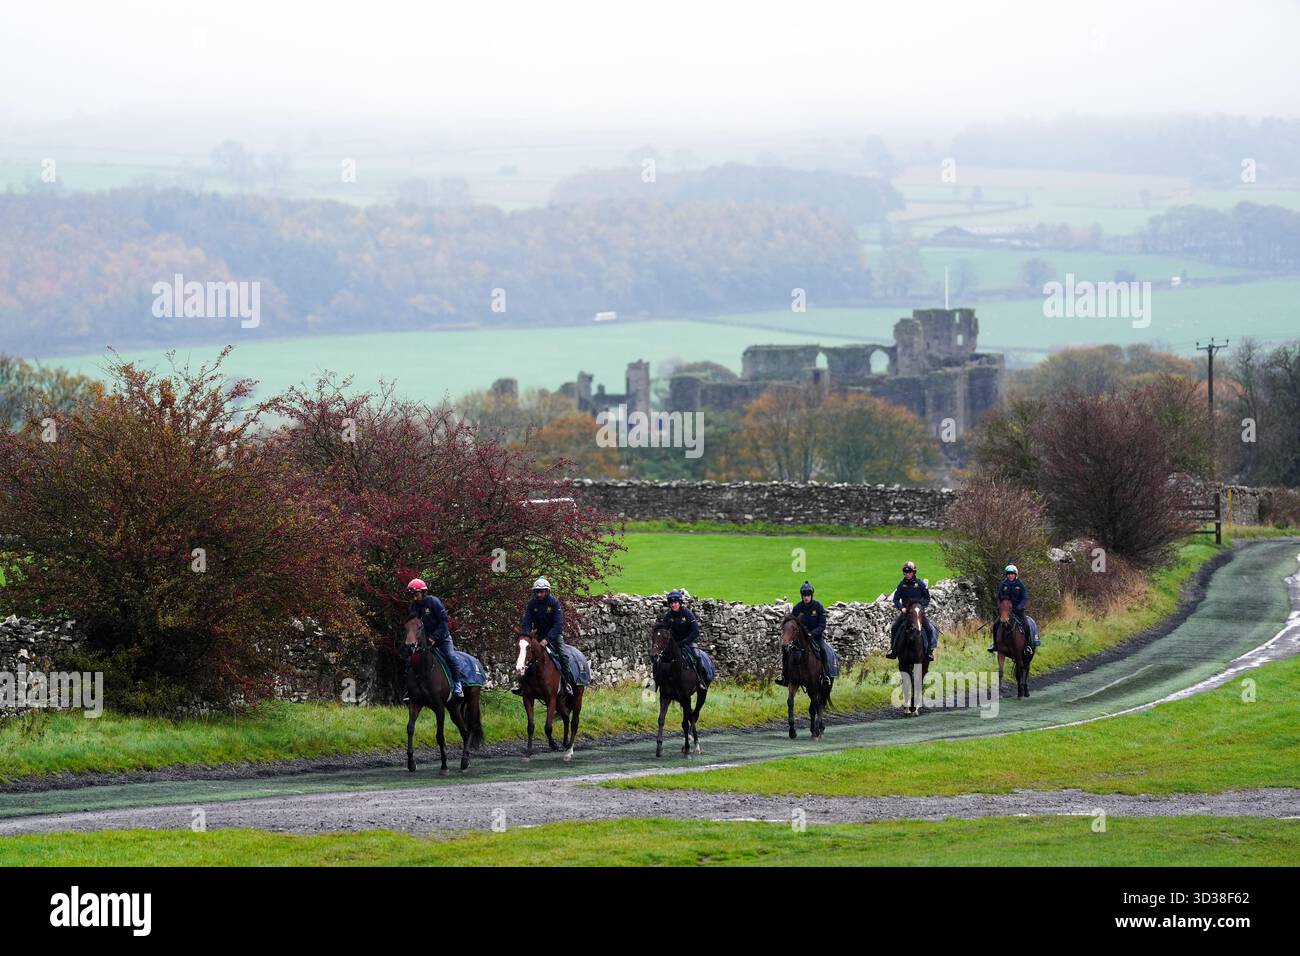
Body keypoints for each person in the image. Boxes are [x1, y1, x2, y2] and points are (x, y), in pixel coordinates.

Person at [406, 578, 464, 697]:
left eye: (416, 595)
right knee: (411, 660)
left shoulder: (433, 602)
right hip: (424, 640)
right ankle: (410, 690)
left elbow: (444, 622)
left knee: (450, 657)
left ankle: (458, 685)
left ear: (423, 593)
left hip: (442, 638)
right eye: (412, 595)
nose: (414, 598)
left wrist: (434, 637)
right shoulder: (413, 607)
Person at [520, 576, 575, 696]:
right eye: (537, 592)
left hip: (554, 636)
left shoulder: (554, 603)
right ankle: (521, 685)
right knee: (524, 654)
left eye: (541, 592)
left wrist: (547, 639)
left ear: (547, 591)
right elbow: (526, 622)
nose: (539, 594)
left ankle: (567, 684)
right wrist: (526, 635)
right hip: (537, 636)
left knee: (564, 656)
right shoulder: (531, 603)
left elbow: (558, 624)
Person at [777, 580, 832, 688]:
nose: (806, 597)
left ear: (811, 595)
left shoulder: (818, 606)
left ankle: (825, 676)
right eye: (804, 595)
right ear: (801, 596)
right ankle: (784, 677)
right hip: (800, 638)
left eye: (808, 595)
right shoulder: (798, 607)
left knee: (823, 650)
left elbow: (822, 625)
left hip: (815, 637)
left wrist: (813, 633)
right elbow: (792, 620)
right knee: (787, 651)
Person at [886, 561, 937, 661]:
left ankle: (929, 651)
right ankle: (893, 650)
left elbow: (927, 598)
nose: (907, 574)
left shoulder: (920, 584)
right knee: (895, 627)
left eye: (909, 572)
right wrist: (902, 608)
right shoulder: (901, 585)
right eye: (905, 573)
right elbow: (895, 599)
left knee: (930, 629)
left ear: (914, 572)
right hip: (906, 613)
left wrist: (921, 607)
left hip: (918, 612)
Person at [660, 590, 709, 686]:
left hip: (688, 642)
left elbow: (695, 631)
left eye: (675, 602)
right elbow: (663, 630)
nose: (673, 605)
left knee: (697, 657)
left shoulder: (687, 614)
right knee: (660, 658)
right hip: (674, 643)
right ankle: (656, 682)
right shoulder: (668, 616)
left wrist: (684, 642)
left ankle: (700, 681)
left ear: (680, 603)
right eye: (671, 603)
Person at [990, 564, 1036, 651]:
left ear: (1015, 575)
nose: (1010, 575)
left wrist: (1020, 606)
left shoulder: (1020, 584)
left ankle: (1027, 646)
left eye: (1012, 574)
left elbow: (1025, 597)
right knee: (996, 625)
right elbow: (999, 597)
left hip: (1018, 611)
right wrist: (1000, 606)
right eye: (1008, 574)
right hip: (1006, 611)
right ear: (1006, 575)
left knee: (1026, 625)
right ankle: (995, 645)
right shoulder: (1003, 584)